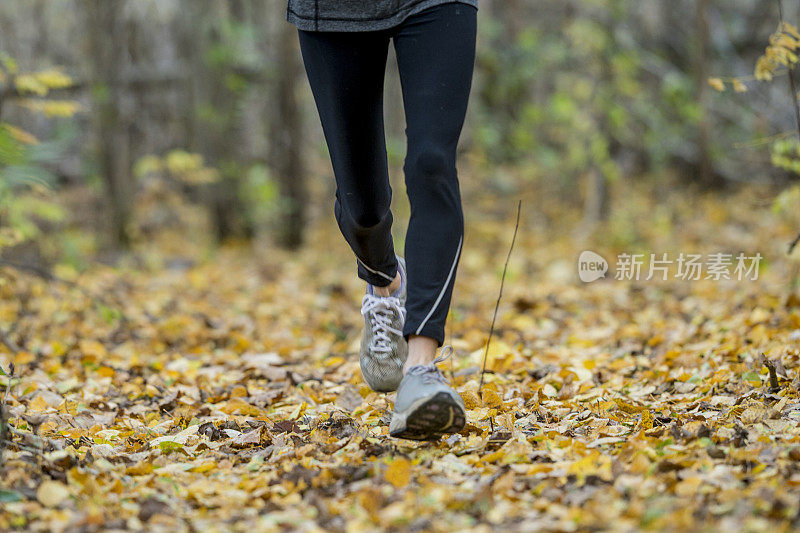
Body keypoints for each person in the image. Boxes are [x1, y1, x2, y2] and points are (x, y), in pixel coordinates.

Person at [286, 0, 477, 440]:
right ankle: (384, 281)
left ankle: (421, 369)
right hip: (333, 10)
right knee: (361, 205)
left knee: (432, 164)